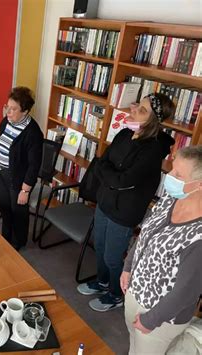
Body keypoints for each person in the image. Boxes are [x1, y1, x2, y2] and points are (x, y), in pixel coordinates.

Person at [77, 93, 175, 312]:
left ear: (154, 120)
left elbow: (124, 180)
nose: (134, 111)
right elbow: (102, 162)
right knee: (100, 247)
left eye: (142, 110)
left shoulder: (152, 150)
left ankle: (115, 293)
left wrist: (111, 176)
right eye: (137, 106)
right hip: (105, 202)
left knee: (113, 256)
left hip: (124, 212)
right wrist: (112, 178)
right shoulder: (124, 133)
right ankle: (102, 282)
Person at [120, 145, 201, 354]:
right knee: (133, 345)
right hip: (135, 291)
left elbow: (187, 291)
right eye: (172, 169)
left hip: (161, 317)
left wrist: (150, 320)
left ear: (199, 184)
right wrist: (128, 266)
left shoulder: (199, 235)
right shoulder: (171, 199)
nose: (169, 176)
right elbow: (147, 234)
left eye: (178, 174)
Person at [0, 87, 43, 250]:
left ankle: (19, 242)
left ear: (25, 111)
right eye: (7, 107)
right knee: (4, 207)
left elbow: (34, 166)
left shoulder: (33, 133)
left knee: (18, 212)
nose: (8, 112)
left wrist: (25, 190)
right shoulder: (6, 122)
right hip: (2, 172)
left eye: (13, 109)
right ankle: (7, 238)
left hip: (19, 179)